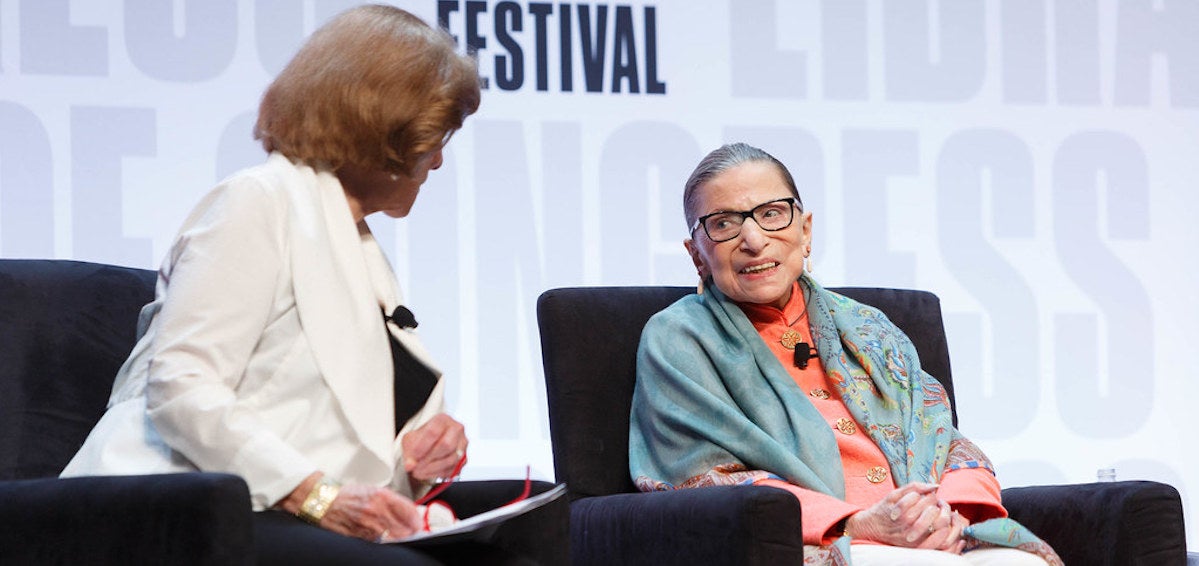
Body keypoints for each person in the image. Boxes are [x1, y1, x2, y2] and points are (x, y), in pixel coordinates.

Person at [59, 5, 532, 564]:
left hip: (279, 511)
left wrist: (418, 455)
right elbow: (183, 387)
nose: (438, 161)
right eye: (435, 136)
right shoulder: (256, 204)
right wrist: (316, 495)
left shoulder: (359, 248)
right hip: (181, 508)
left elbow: (320, 420)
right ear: (382, 125)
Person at [628, 143, 1062, 565]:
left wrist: (944, 511)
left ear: (805, 231)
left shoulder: (869, 326)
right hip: (809, 543)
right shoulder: (678, 339)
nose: (754, 240)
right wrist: (857, 523)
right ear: (697, 255)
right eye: (723, 224)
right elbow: (704, 478)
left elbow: (944, 438)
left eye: (772, 214)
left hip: (932, 533)